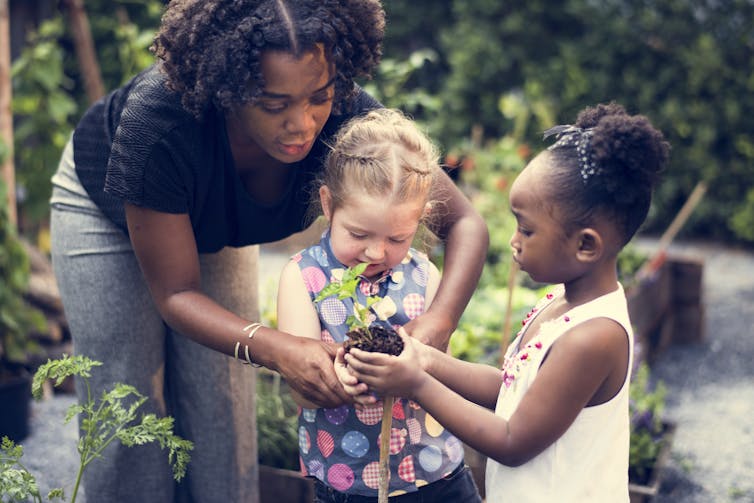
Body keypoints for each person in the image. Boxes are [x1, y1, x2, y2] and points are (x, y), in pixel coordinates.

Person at [48, 1, 489, 502]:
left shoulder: (348, 119)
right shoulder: (159, 124)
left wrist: (435, 326)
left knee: (223, 405)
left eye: (317, 98)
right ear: (227, 92)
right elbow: (175, 295)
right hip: (105, 214)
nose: (303, 125)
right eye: (274, 105)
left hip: (215, 227)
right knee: (124, 402)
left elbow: (467, 224)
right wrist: (281, 348)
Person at [339, 103, 670, 502]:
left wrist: (417, 384)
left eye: (526, 229)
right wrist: (427, 360)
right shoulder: (561, 303)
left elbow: (513, 441)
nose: (513, 240)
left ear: (586, 245)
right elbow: (509, 390)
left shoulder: (593, 337)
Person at [277, 108, 483, 502]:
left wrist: (418, 365)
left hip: (436, 472)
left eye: (398, 238)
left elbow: (442, 369)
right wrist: (339, 379)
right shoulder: (303, 277)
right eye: (358, 234)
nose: (375, 251)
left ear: (420, 220)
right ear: (328, 204)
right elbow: (301, 388)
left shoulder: (424, 276)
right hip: (350, 480)